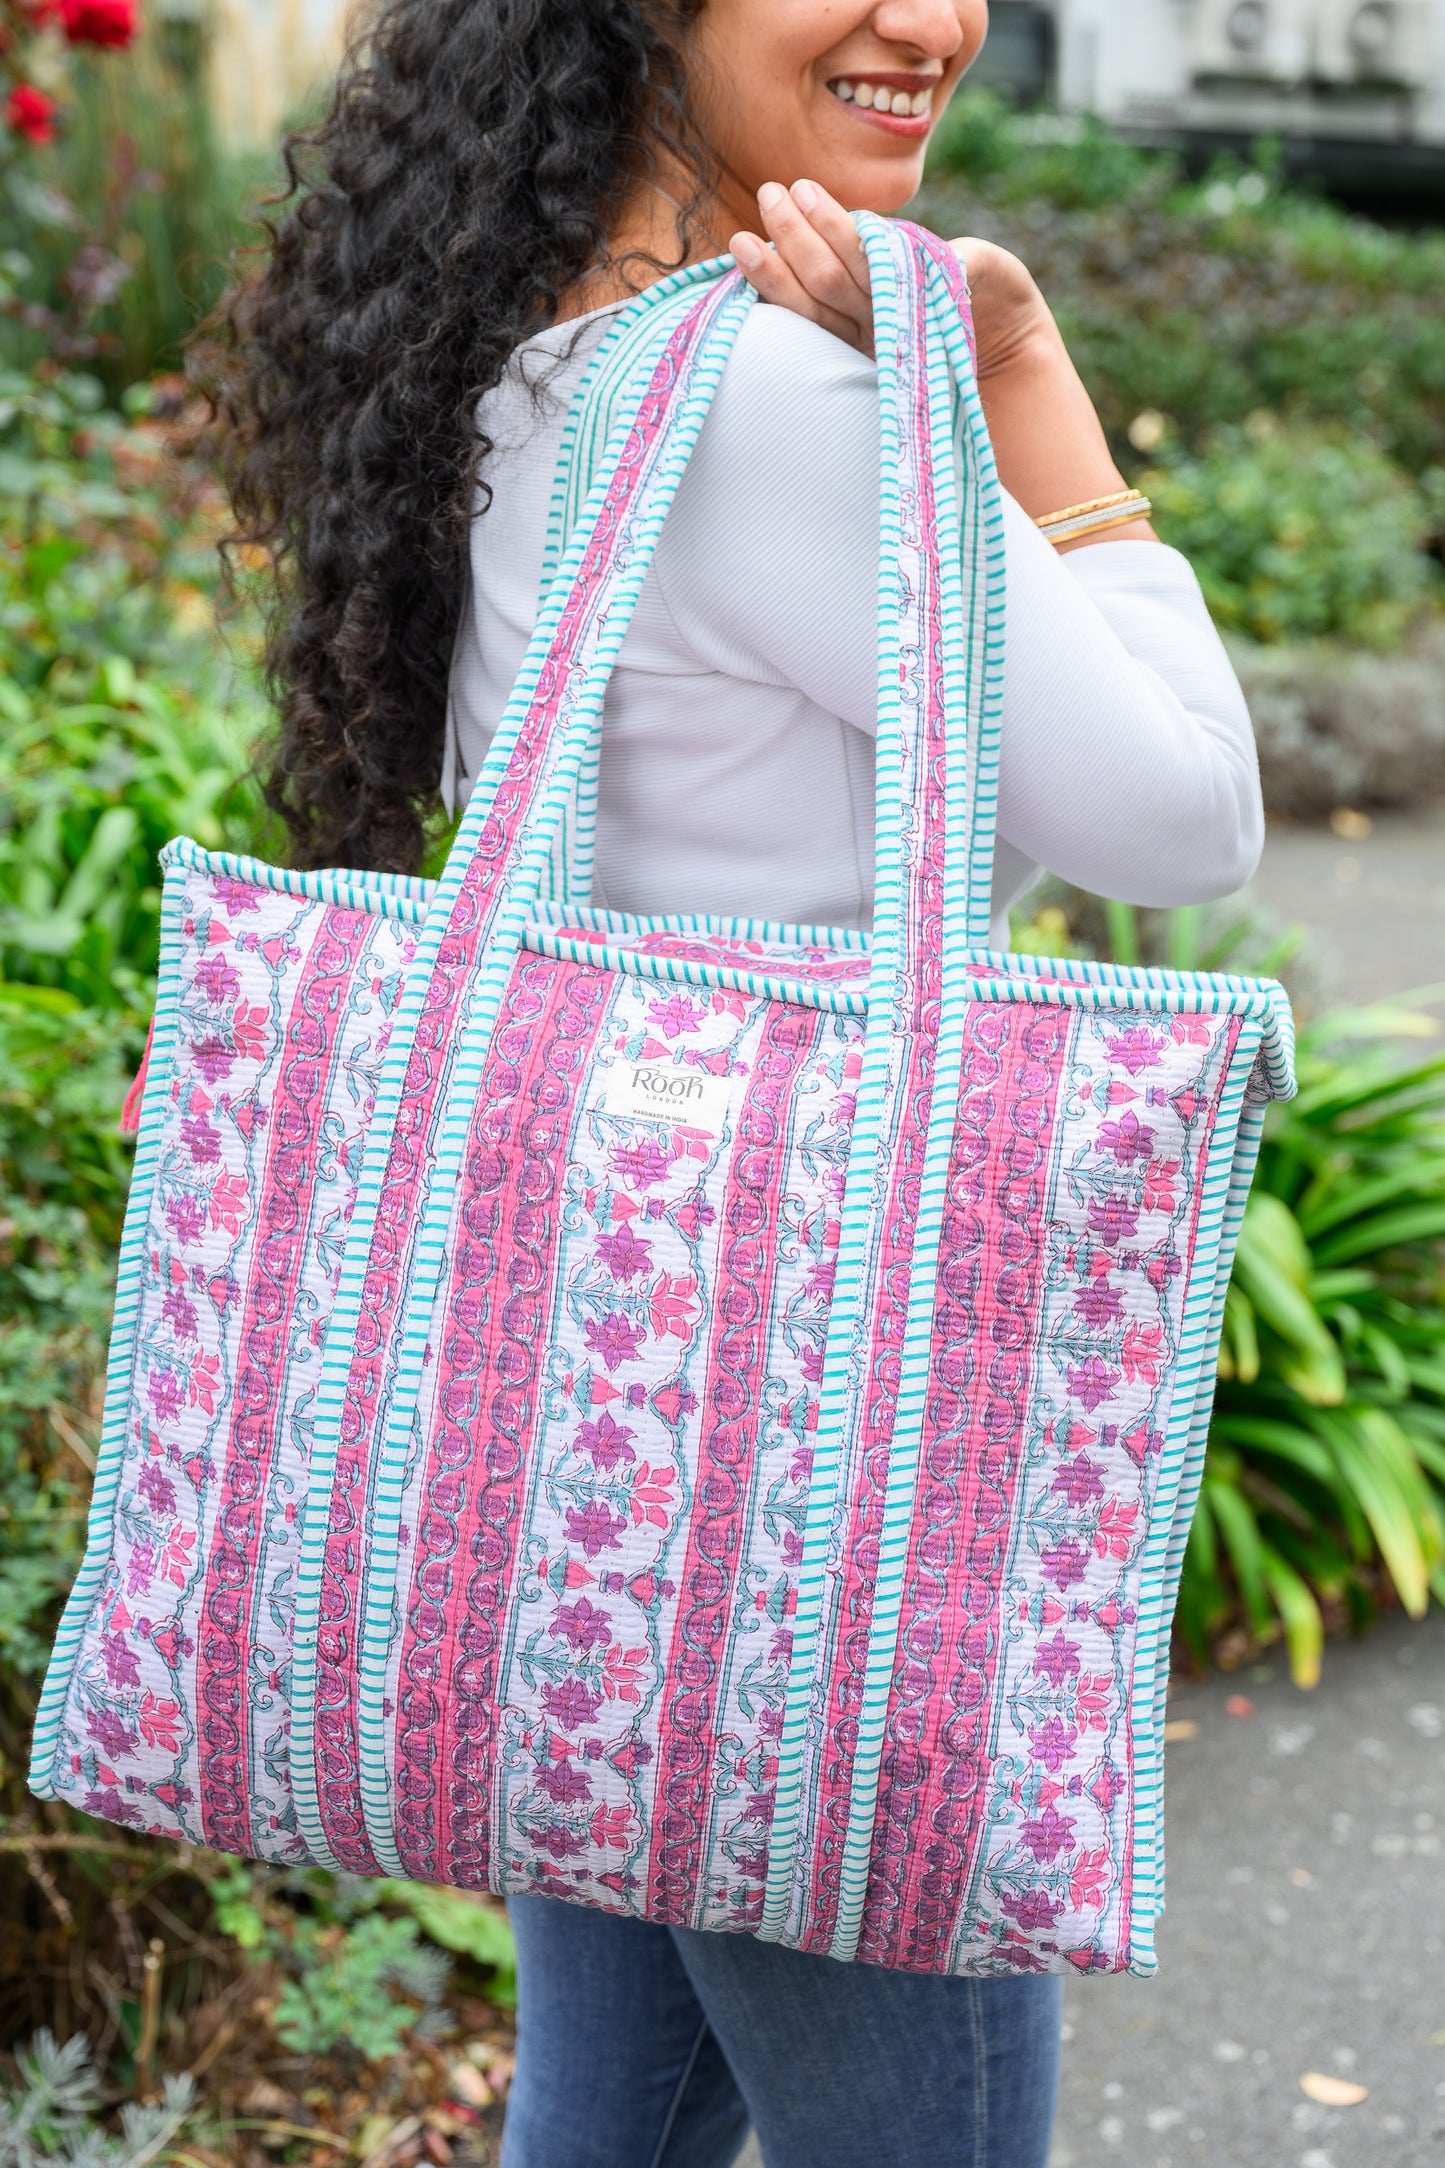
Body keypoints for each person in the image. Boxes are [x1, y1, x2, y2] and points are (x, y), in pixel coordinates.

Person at [213, 2, 1263, 2161]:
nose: (936, 19)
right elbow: (1183, 815)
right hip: (799, 1478)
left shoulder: (513, 340)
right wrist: (1031, 382)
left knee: (613, 2107)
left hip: (593, 1459)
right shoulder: (768, 399)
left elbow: (958, 802)